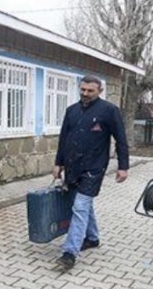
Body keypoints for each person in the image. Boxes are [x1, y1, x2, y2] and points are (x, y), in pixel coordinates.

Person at [53, 75, 130, 270]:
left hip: (94, 167)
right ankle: (92, 238)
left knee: (79, 207)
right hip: (72, 166)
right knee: (84, 206)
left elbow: (121, 139)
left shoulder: (109, 111)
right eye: (83, 90)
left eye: (90, 91)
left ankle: (69, 253)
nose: (85, 94)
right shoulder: (72, 111)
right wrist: (58, 163)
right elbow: (64, 138)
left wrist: (123, 166)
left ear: (99, 91)